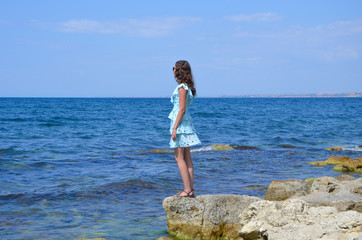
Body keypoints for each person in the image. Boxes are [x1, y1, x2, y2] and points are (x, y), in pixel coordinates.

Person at [168, 60, 201, 197]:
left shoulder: (182, 88)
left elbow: (181, 110)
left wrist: (174, 128)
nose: (172, 70)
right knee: (187, 158)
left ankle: (187, 189)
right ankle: (190, 189)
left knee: (179, 158)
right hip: (186, 124)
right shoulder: (188, 87)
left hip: (181, 125)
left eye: (173, 68)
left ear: (179, 70)